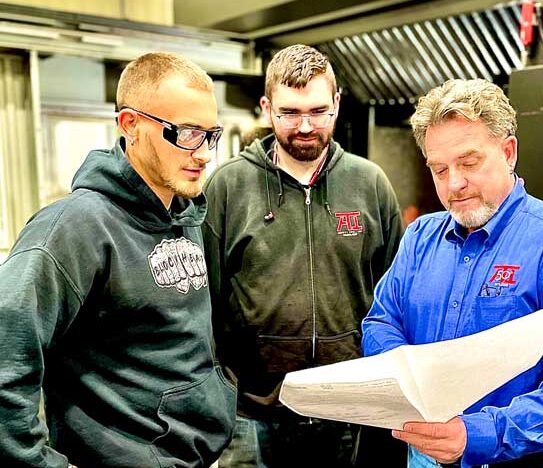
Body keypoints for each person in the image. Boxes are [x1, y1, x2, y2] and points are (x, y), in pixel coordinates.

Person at [361, 78, 543, 468]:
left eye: (469, 163)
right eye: (439, 169)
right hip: (422, 457)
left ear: (509, 151)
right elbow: (381, 321)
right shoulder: (419, 238)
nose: (454, 184)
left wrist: (480, 434)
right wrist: (408, 379)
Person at [0, 51, 236, 467]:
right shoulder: (76, 227)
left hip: (192, 454)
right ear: (131, 125)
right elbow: (6, 356)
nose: (203, 153)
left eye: (210, 134)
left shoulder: (186, 213)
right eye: (186, 133)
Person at [202, 44, 405, 467]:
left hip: (348, 408)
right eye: (290, 113)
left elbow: (395, 294)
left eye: (318, 111)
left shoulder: (369, 184)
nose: (306, 126)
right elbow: (205, 301)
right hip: (251, 411)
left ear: (337, 103)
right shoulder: (228, 187)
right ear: (266, 107)